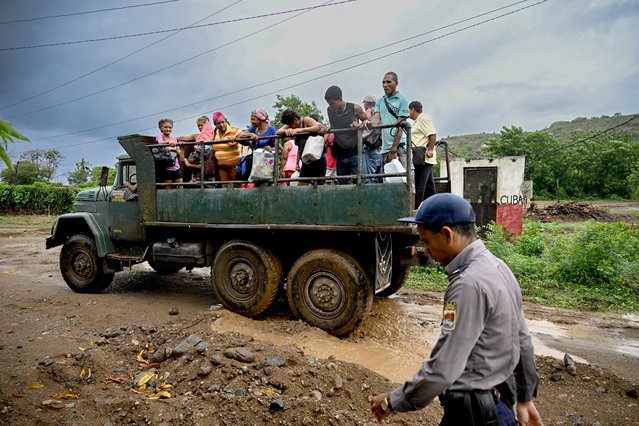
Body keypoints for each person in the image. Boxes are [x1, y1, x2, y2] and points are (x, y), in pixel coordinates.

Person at [370, 193, 543, 426]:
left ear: (446, 234)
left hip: (472, 415)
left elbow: (443, 368)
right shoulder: (499, 268)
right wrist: (524, 398)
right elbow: (522, 339)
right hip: (499, 407)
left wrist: (391, 401)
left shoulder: (467, 285)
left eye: (427, 241)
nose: (426, 250)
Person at [323, 85, 369, 184]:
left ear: (340, 99)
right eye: (329, 104)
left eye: (332, 103)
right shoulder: (329, 110)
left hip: (355, 154)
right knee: (343, 187)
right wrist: (328, 127)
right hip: (340, 155)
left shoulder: (354, 108)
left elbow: (367, 120)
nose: (331, 106)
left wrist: (360, 124)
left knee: (362, 183)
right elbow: (335, 124)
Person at [369, 72, 410, 169]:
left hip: (400, 146)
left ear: (396, 83)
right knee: (388, 180)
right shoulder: (380, 100)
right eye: (383, 82)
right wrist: (366, 123)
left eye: (388, 82)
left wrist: (394, 149)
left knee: (406, 178)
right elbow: (376, 120)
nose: (385, 85)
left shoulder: (402, 101)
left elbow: (400, 126)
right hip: (385, 148)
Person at [275, 109, 324, 185]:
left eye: (292, 125)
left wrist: (300, 130)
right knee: (302, 183)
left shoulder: (306, 120)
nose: (292, 127)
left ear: (295, 119)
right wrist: (286, 131)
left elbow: (319, 126)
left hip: (317, 157)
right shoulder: (290, 124)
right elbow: (278, 131)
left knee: (319, 184)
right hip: (306, 159)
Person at [211, 111, 254, 183]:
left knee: (236, 185)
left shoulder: (234, 130)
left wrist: (250, 135)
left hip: (234, 165)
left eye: (223, 122)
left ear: (226, 121)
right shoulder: (214, 133)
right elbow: (209, 142)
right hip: (221, 166)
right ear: (215, 124)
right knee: (224, 186)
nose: (221, 125)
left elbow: (243, 136)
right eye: (218, 123)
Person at [409, 100, 437, 207]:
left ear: (413, 110)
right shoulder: (417, 121)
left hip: (423, 157)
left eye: (409, 110)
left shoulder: (423, 118)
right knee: (429, 186)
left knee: (420, 185)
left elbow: (432, 134)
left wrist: (430, 149)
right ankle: (433, 207)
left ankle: (418, 209)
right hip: (421, 157)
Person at [155, 118, 183, 188]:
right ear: (161, 128)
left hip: (176, 167)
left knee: (180, 188)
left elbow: (179, 152)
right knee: (167, 190)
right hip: (166, 168)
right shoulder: (159, 136)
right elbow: (159, 142)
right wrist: (168, 142)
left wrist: (172, 149)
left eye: (170, 127)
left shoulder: (174, 139)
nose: (168, 129)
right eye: (165, 127)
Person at [362, 95, 382, 183]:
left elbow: (366, 123)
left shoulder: (369, 111)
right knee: (380, 175)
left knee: (369, 176)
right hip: (379, 146)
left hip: (369, 146)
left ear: (367, 103)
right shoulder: (380, 112)